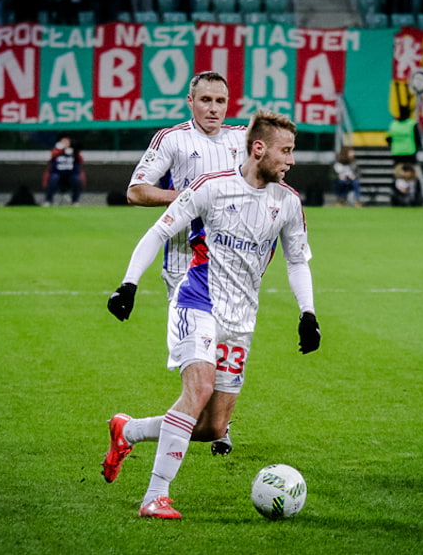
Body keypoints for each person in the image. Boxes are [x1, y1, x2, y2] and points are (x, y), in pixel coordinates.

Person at [102, 109, 321, 520]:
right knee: (197, 391)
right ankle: (155, 497)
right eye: (286, 151)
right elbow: (159, 232)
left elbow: (297, 261)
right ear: (259, 149)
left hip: (241, 321)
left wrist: (307, 312)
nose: (291, 161)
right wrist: (128, 283)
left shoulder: (288, 202)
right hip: (197, 302)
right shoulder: (212, 188)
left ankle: (127, 430)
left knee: (213, 428)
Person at [126, 71, 247, 455]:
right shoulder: (173, 139)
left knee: (227, 346)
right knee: (200, 352)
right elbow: (136, 190)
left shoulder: (240, 139)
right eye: (205, 100)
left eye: (220, 101)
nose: (213, 108)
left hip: (230, 266)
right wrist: (188, 198)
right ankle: (195, 427)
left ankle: (218, 424)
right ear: (189, 102)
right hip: (183, 264)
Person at [43, 135, 84, 206]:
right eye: (63, 142)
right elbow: (52, 156)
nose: (65, 143)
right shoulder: (56, 151)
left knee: (77, 179)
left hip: (71, 174)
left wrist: (74, 152)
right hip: (57, 173)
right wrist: (62, 150)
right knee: (53, 178)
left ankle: (75, 201)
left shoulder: (74, 151)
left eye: (66, 142)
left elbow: (81, 160)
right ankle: (48, 200)